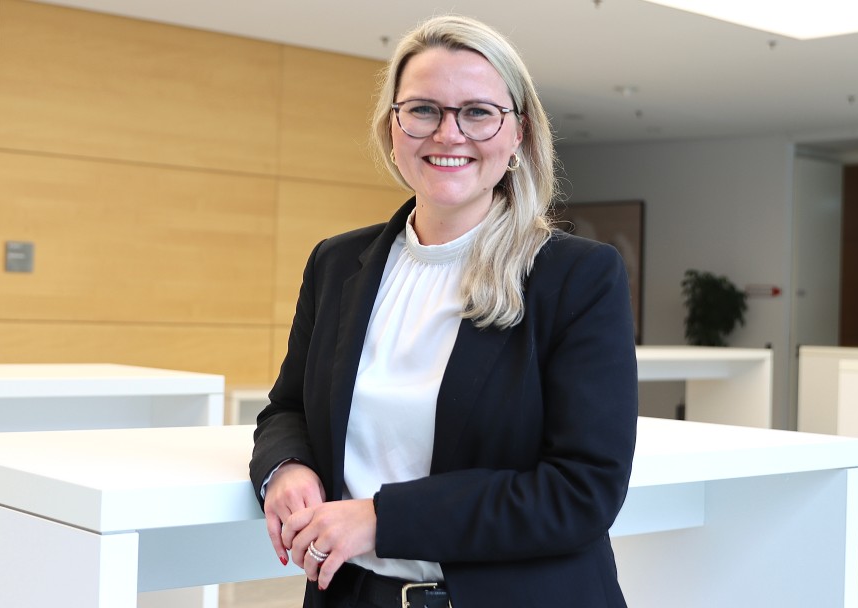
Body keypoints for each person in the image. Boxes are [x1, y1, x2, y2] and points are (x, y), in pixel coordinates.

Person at [250, 14, 638, 608]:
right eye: (424, 109)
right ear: (392, 129)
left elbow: (581, 491)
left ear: (518, 136)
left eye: (478, 112)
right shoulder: (336, 263)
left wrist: (383, 520)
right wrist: (287, 468)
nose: (448, 134)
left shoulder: (577, 277)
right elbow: (289, 408)